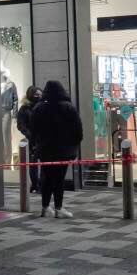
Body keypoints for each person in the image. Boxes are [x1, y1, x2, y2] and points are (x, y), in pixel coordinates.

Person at [30, 80, 83, 219]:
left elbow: (33, 130)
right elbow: (78, 131)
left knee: (46, 178)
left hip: (45, 150)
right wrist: (74, 146)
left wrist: (36, 145)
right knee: (59, 179)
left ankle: (45, 207)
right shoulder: (68, 107)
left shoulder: (39, 108)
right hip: (63, 151)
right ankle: (59, 208)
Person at [15, 85, 42, 194]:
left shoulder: (43, 107)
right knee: (33, 164)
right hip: (31, 141)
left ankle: (42, 184)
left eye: (40, 95)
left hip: (44, 140)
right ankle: (35, 185)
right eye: (36, 95)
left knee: (46, 164)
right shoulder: (24, 108)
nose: (38, 97)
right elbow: (20, 125)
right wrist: (29, 134)